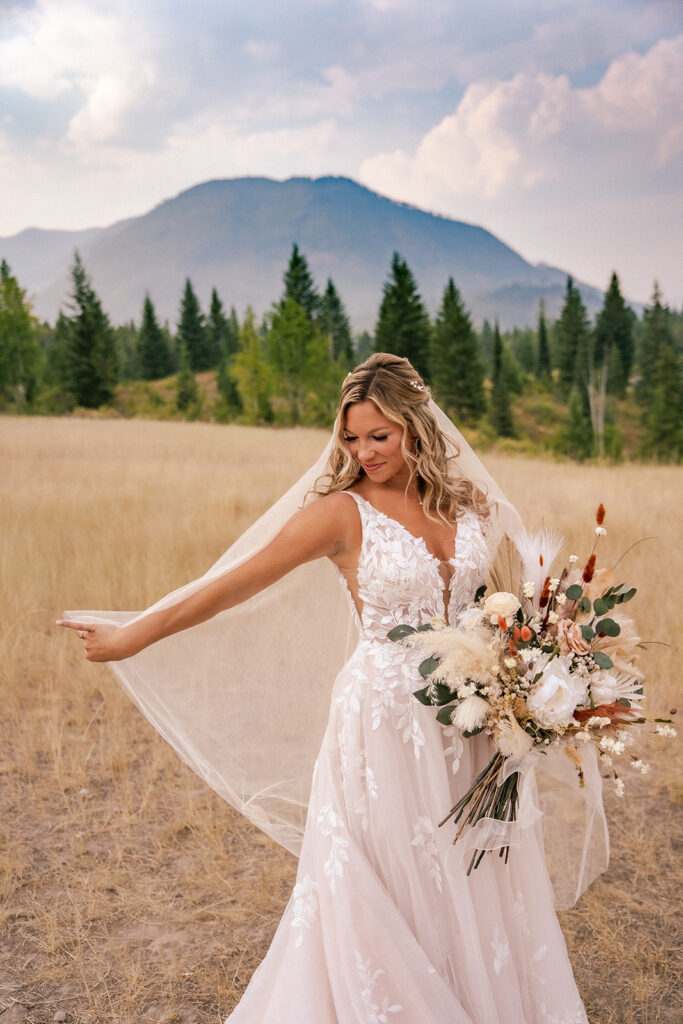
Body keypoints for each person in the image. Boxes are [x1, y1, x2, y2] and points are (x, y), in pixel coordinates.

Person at [59, 353, 596, 1023]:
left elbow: (508, 606)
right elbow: (231, 582)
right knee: (385, 872)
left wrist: (543, 663)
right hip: (380, 723)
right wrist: (131, 635)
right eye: (351, 437)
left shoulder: (470, 506)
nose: (363, 451)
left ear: (416, 427)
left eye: (380, 435)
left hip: (466, 721)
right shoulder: (340, 514)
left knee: (463, 866)